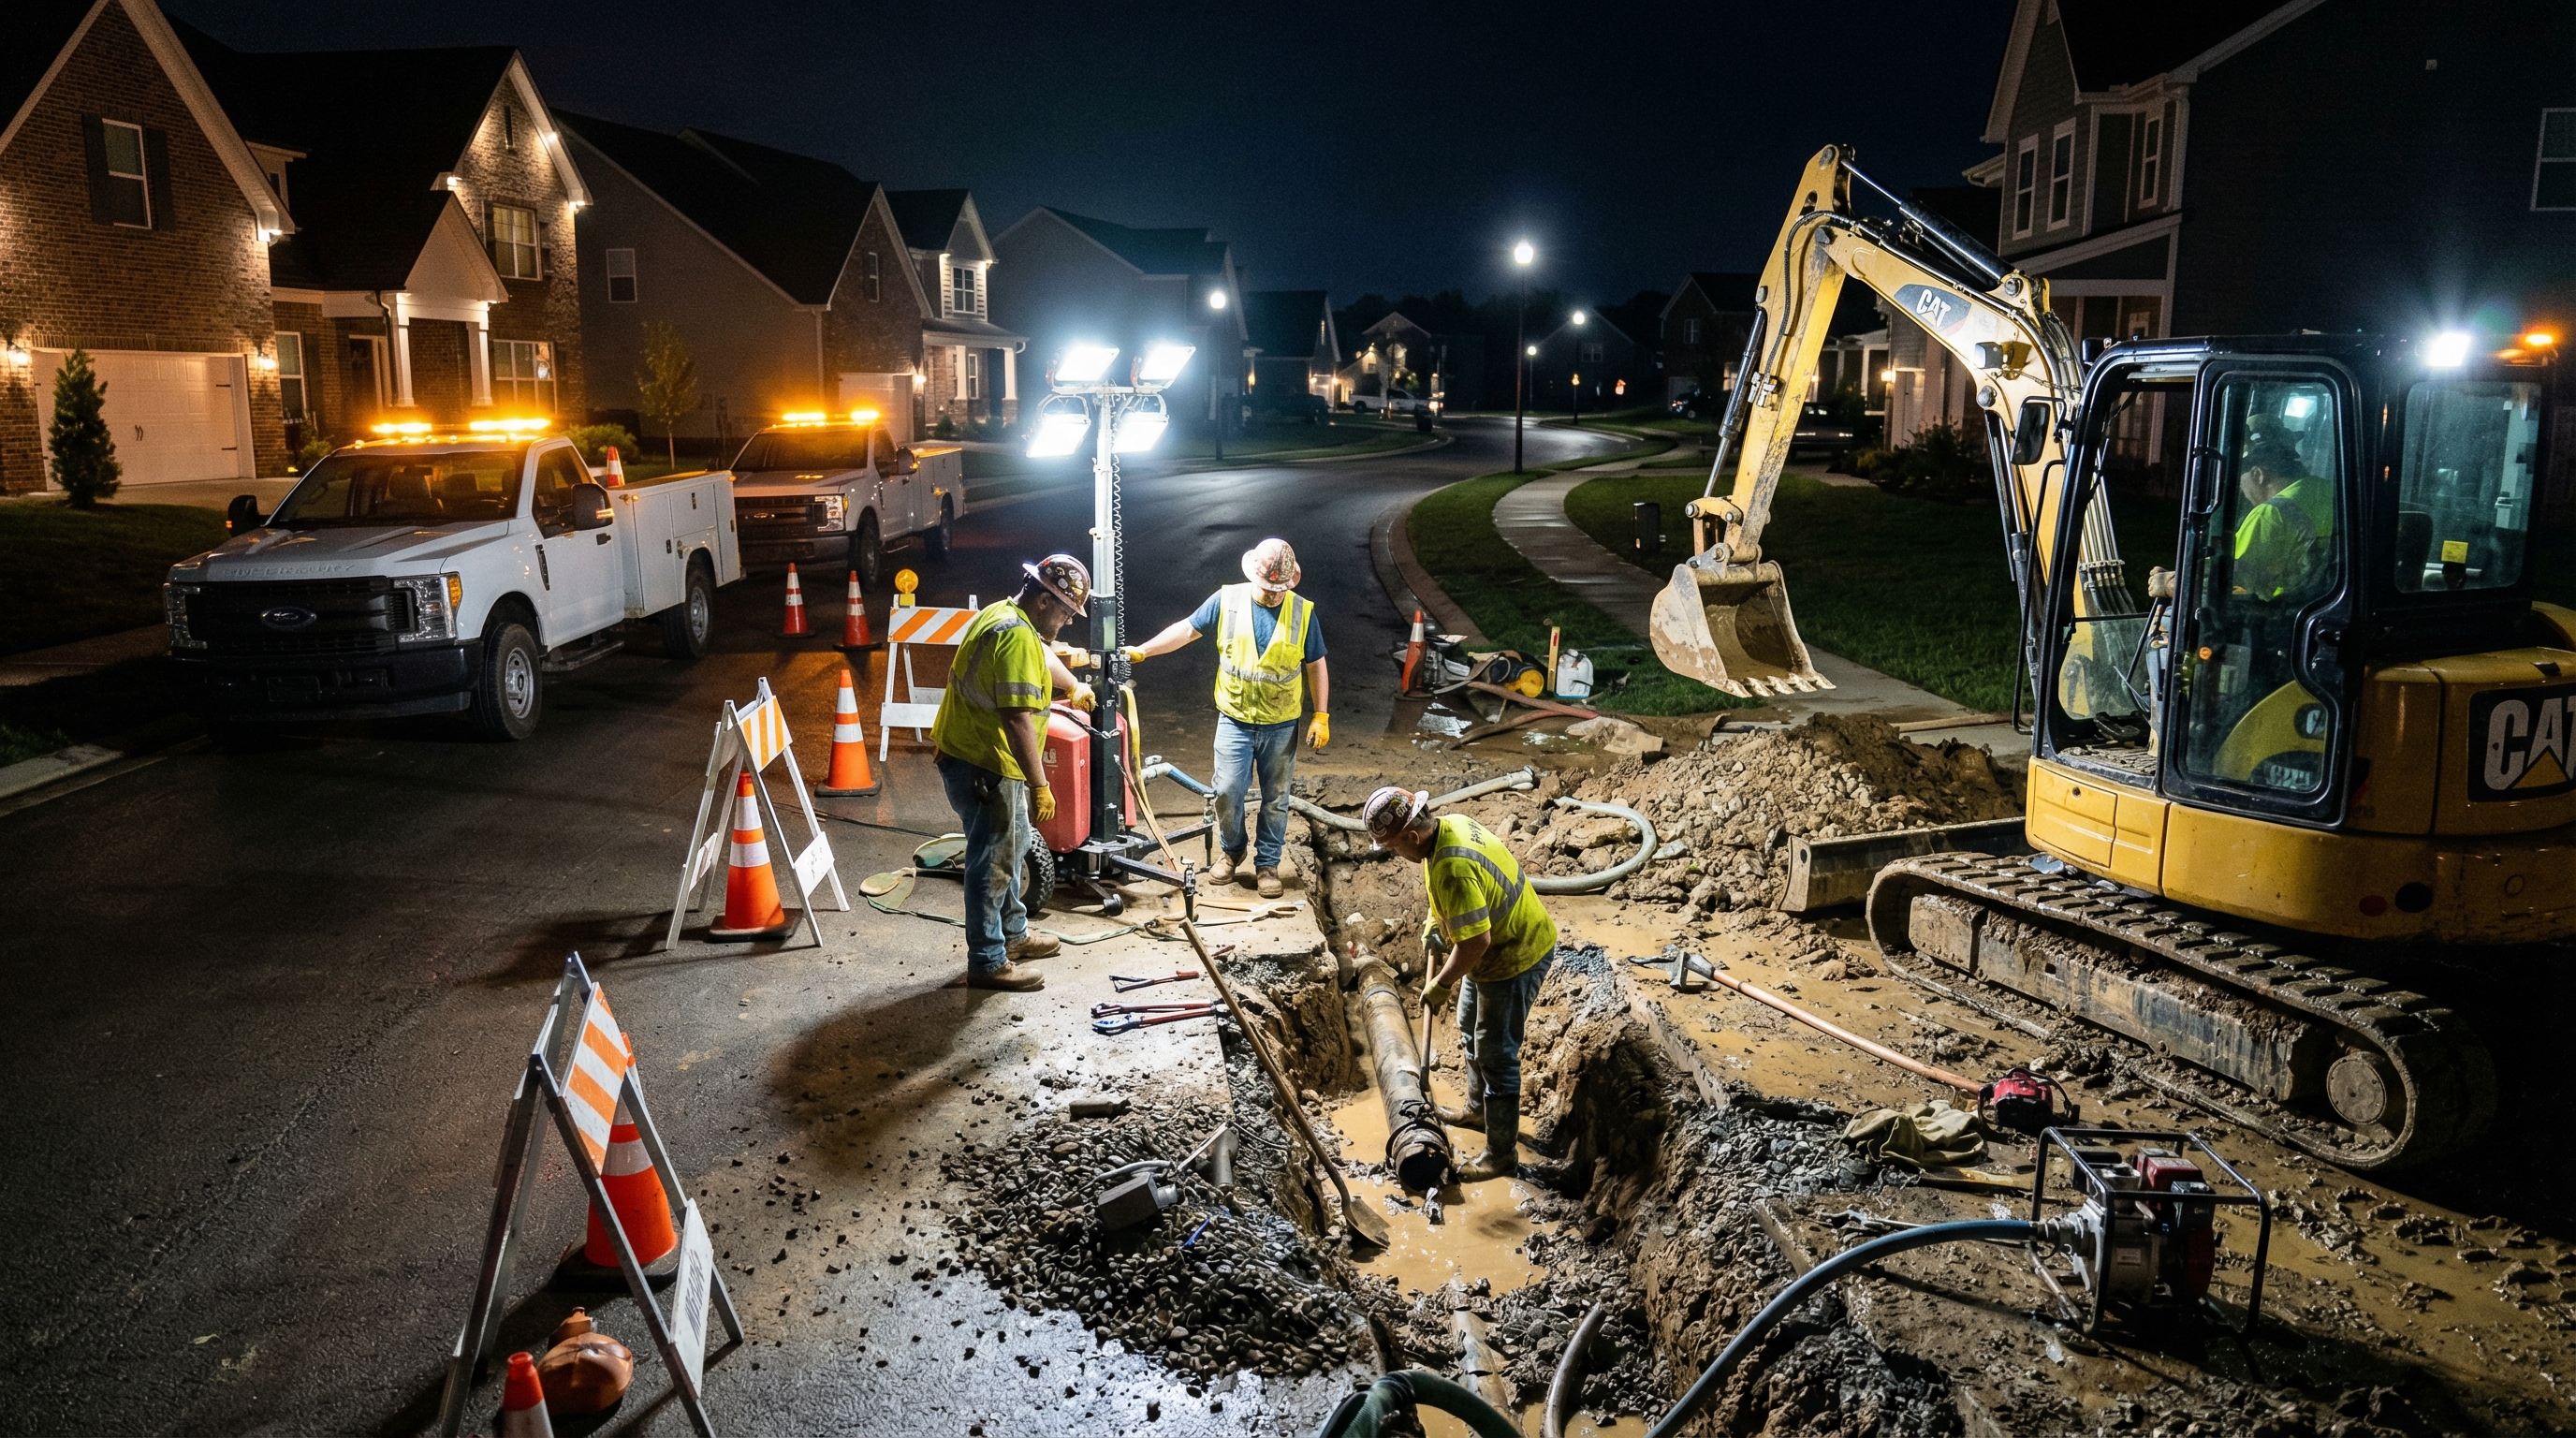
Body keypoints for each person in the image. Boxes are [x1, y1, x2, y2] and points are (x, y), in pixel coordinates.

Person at [1362, 785, 1560, 1182]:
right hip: (1493, 949)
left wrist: (1441, 983)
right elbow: (1448, 899)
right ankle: (1477, 1110)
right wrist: (1435, 925)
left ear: (1411, 836)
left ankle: (1501, 1155)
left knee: (1496, 1055)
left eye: (1394, 847)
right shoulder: (1444, 830)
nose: (1395, 854)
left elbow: (1476, 942)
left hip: (1514, 955)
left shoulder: (1452, 866)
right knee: (1469, 1025)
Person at [1121, 538, 1329, 899]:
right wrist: (1144, 651)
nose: (1273, 594)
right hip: (1234, 719)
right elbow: (1187, 629)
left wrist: (1321, 715)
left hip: (1281, 724)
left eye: (1280, 589)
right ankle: (1232, 852)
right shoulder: (1227, 600)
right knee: (1227, 791)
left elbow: (1316, 664)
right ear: (1253, 577)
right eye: (1268, 588)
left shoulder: (1302, 612)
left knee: (1276, 798)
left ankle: (1268, 864)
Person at [930, 553, 1091, 992]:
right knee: (993, 861)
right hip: (983, 763)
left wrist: (1073, 685)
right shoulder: (1016, 635)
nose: (1069, 621)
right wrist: (1040, 784)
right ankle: (987, 961)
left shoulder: (1006, 614)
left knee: (1013, 845)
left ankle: (1014, 935)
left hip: (979, 757)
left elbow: (1041, 653)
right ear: (1043, 600)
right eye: (1066, 611)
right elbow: (1017, 718)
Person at [2232, 430, 2333, 602]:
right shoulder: (2329, 491)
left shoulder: (2270, 513)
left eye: (2241, 484)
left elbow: (2235, 578)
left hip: (2286, 609)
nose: (2243, 493)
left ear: (2257, 474)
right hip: (2323, 600)